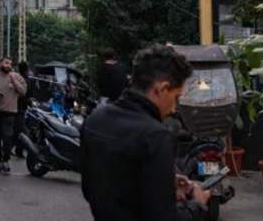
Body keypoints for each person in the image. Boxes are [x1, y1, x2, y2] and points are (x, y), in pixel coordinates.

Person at [80, 44, 211, 220]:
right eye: (175, 97)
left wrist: (164, 182)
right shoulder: (156, 137)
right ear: (161, 89)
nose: (174, 108)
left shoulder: (94, 121)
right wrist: (197, 204)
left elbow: (93, 188)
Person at [0, 56, 27, 174]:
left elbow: (23, 91)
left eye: (10, 64)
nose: (8, 65)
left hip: (10, 112)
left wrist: (14, 81)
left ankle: (6, 160)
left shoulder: (16, 76)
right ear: (0, 64)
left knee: (7, 137)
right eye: (6, 63)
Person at [13, 60, 31, 158]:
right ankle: (18, 150)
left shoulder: (17, 78)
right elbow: (22, 96)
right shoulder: (23, 80)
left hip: (16, 107)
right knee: (22, 132)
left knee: (17, 129)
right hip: (19, 108)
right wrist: (29, 102)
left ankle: (11, 148)